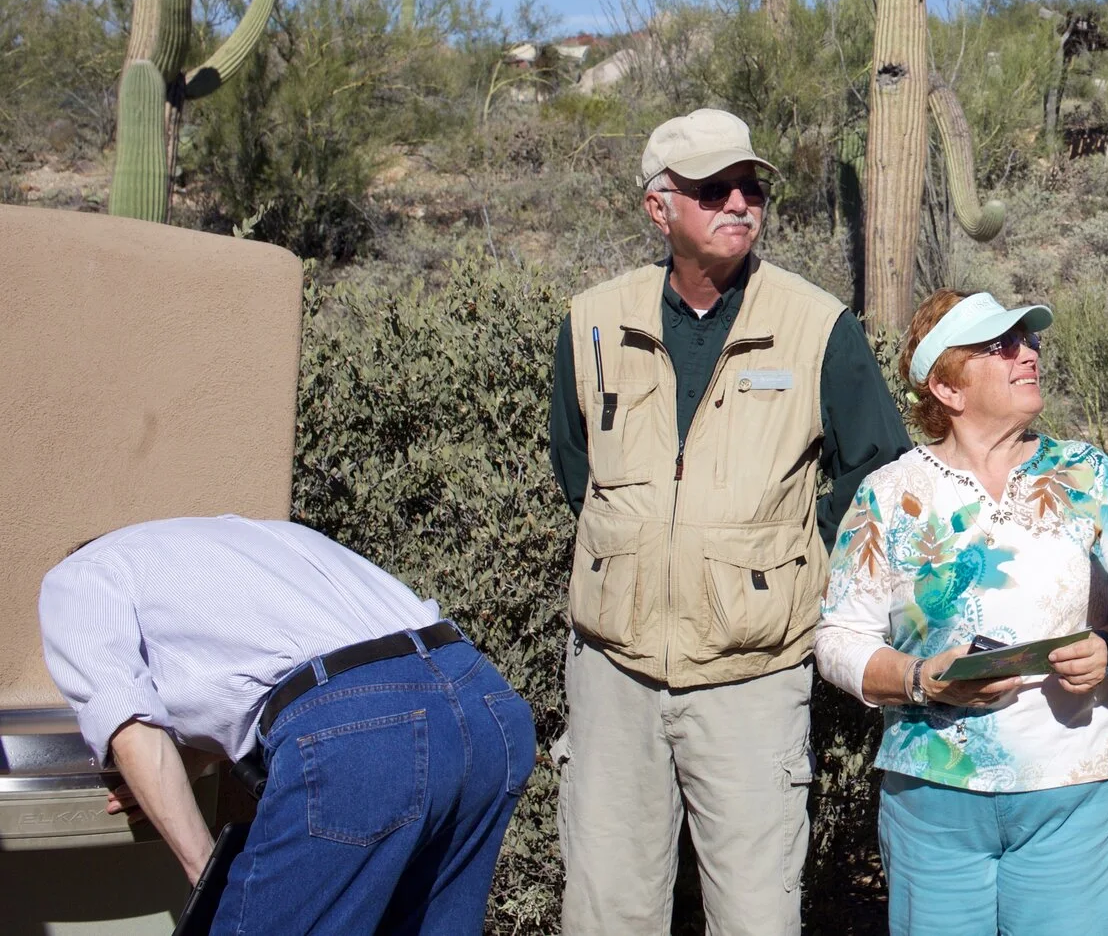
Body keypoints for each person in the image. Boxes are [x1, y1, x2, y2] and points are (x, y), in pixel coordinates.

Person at [548, 107, 911, 936]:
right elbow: (576, 465)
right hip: (613, 672)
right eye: (714, 189)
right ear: (659, 207)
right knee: (606, 915)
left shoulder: (818, 325)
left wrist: (788, 557)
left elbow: (877, 470)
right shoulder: (592, 321)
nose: (740, 203)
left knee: (755, 918)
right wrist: (640, 551)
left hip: (753, 677)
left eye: (750, 187)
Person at [818, 290, 1108, 936]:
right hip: (932, 798)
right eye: (999, 344)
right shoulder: (888, 494)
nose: (1027, 353)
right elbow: (840, 639)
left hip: (1076, 788)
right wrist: (922, 678)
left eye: (1029, 340)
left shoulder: (1088, 474)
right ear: (946, 385)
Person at [39, 516, 533, 936]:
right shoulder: (240, 542)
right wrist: (178, 769)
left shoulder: (78, 577)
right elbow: (264, 679)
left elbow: (130, 727)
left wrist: (208, 879)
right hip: (487, 707)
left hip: (366, 739)